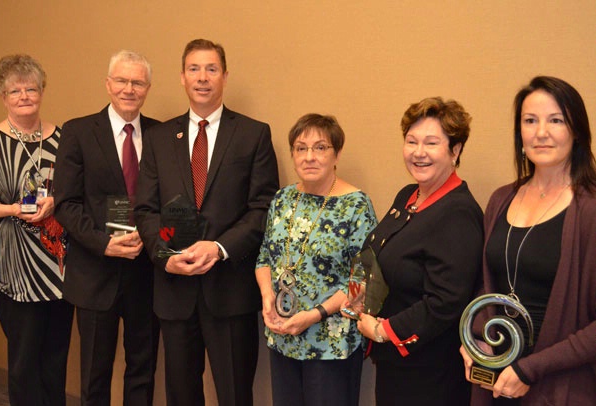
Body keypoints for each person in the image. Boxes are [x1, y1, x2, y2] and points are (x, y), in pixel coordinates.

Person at [134, 39, 279, 406]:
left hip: (229, 290)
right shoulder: (158, 138)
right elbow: (145, 210)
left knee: (234, 393)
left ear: (225, 77)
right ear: (182, 77)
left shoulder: (252, 134)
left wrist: (218, 247)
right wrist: (165, 255)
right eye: (194, 69)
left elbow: (263, 208)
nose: (203, 78)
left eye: (211, 69)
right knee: (181, 395)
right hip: (174, 289)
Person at [460, 76, 596, 405]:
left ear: (576, 131)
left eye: (556, 120)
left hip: (557, 387)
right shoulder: (501, 199)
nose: (541, 132)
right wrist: (475, 338)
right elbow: (485, 286)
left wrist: (529, 369)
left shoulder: (590, 209)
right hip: (495, 384)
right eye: (530, 121)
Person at [351, 97, 483, 405]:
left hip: (430, 371)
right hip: (396, 366)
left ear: (456, 150)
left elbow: (446, 302)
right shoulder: (407, 196)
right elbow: (380, 250)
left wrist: (384, 330)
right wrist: (360, 292)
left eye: (431, 143)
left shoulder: (458, 212)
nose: (418, 152)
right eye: (411, 141)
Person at [0, 54, 72, 405]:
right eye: (14, 90)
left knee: (55, 361)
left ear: (42, 91)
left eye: (31, 88)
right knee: (23, 364)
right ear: (2, 95)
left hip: (60, 268)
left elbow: (78, 194)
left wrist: (55, 203)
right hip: (15, 271)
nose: (24, 96)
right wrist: (11, 209)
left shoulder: (64, 140)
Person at [53, 50, 160, 406]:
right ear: (108, 84)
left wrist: (158, 240)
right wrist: (104, 244)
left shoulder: (161, 135)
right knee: (94, 375)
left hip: (146, 272)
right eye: (122, 80)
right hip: (94, 272)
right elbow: (66, 203)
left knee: (142, 369)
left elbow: (170, 203)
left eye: (137, 82)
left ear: (147, 88)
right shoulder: (78, 131)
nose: (129, 89)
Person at [255, 114, 376, 405]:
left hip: (332, 345)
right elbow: (264, 257)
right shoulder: (283, 199)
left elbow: (362, 281)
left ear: (336, 154)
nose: (309, 156)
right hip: (283, 337)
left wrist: (314, 314)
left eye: (320, 147)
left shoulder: (357, 205)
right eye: (301, 148)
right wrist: (267, 297)